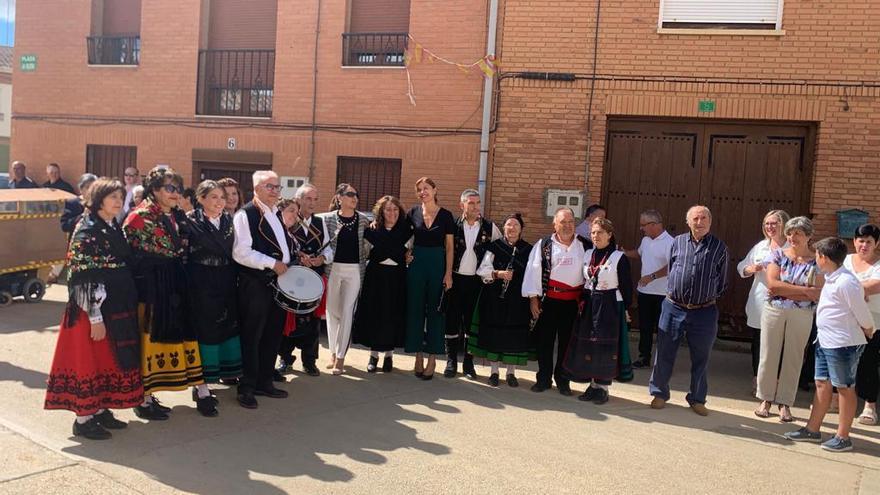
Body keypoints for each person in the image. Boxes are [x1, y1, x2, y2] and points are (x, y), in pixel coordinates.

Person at [44, 178, 143, 440]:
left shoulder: (112, 226)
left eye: (120, 196)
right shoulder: (87, 229)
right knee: (88, 363)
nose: (118, 201)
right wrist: (95, 317)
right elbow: (82, 276)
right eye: (112, 197)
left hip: (116, 305)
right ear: (98, 200)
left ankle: (100, 410)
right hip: (92, 311)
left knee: (107, 361)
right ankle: (83, 419)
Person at [124, 166, 212, 419]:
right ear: (154, 190)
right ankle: (144, 399)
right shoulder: (139, 217)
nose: (176, 194)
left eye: (178, 189)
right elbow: (141, 255)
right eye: (170, 189)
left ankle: (200, 390)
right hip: (151, 289)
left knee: (186, 337)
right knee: (151, 341)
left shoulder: (178, 215)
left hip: (176, 285)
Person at [785, 237, 875, 452]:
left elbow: (861, 311)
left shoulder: (847, 281)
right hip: (825, 341)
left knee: (844, 387)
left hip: (843, 343)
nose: (815, 258)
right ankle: (813, 429)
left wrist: (869, 328)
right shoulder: (831, 277)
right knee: (821, 383)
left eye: (817, 255)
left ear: (824, 257)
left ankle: (843, 436)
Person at [648, 205, 729, 416]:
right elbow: (673, 267)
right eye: (695, 218)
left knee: (701, 356)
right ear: (688, 221)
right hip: (673, 307)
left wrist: (703, 296)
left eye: (703, 218)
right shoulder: (677, 243)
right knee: (665, 352)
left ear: (710, 222)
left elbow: (722, 282)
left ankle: (697, 398)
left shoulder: (719, 248)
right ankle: (659, 393)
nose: (699, 222)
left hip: (704, 312)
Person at [231, 170, 292, 408]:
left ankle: (265, 381)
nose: (275, 191)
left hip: (275, 284)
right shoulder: (245, 214)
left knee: (272, 334)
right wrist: (273, 263)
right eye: (270, 187)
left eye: (278, 187)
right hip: (255, 283)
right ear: (256, 189)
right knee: (252, 336)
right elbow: (241, 252)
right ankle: (246, 386)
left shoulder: (275, 213)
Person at [754, 216, 821, 422]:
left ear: (808, 236)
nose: (793, 237)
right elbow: (772, 285)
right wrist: (804, 292)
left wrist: (787, 291)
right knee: (768, 353)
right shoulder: (777, 255)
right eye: (790, 233)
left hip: (802, 314)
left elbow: (817, 292)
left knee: (793, 357)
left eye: (798, 233)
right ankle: (765, 399)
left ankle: (785, 402)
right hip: (774, 310)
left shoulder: (817, 260)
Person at [562, 218, 633, 404]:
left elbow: (626, 287)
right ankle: (592, 385)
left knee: (605, 345)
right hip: (590, 303)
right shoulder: (588, 255)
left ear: (609, 234)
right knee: (589, 344)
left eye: (600, 232)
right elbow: (585, 280)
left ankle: (603, 387)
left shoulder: (619, 257)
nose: (596, 236)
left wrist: (626, 309)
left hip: (610, 304)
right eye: (593, 233)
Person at [183, 180, 242, 402]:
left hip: (226, 280)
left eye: (222, 197)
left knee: (226, 327)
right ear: (201, 198)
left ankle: (228, 373)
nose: (219, 202)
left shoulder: (230, 221)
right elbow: (183, 254)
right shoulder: (190, 221)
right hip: (200, 282)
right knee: (204, 330)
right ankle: (202, 385)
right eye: (214, 197)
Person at [523, 207, 590, 396]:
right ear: (555, 224)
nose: (568, 226)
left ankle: (563, 380)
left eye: (570, 222)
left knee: (567, 344)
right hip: (549, 301)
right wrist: (533, 300)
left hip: (573, 303)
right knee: (545, 342)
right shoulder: (544, 244)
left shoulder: (584, 245)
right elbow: (533, 271)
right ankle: (543, 379)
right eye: (563, 222)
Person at [469, 213, 532, 387]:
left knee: (513, 336)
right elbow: (482, 270)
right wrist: (499, 274)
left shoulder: (528, 249)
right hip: (495, 297)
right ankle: (494, 371)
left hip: (518, 300)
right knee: (494, 334)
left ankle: (511, 373)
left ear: (521, 229)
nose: (512, 228)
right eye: (509, 225)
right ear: (503, 228)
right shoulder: (494, 247)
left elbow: (533, 274)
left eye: (516, 226)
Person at [444, 189, 501, 379]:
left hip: (476, 283)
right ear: (462, 205)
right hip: (455, 279)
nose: (475, 207)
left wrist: (492, 272)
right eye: (471, 203)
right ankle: (451, 362)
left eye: (478, 203)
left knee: (471, 324)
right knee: (452, 320)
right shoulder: (453, 225)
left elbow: (501, 249)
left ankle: (468, 365)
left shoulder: (489, 227)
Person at [276, 183, 331, 378]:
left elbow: (328, 249)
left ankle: (309, 361)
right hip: (292, 278)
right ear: (298, 199)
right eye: (308, 198)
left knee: (312, 321)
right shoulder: (289, 219)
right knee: (289, 318)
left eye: (315, 199)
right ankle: (285, 359)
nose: (312, 203)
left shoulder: (320, 222)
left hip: (313, 277)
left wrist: (322, 258)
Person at [352, 195, 411, 373]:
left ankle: (389, 356)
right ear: (381, 212)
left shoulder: (407, 231)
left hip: (397, 278)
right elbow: (365, 253)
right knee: (376, 315)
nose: (392, 213)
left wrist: (409, 257)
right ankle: (374, 355)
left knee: (392, 315)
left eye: (395, 209)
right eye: (387, 209)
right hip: (376, 278)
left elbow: (410, 254)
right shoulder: (373, 231)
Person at [405, 177, 455, 380]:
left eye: (426, 188)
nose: (422, 192)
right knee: (415, 309)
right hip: (417, 265)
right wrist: (405, 252)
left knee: (436, 312)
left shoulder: (446, 216)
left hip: (437, 264)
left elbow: (450, 247)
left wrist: (448, 273)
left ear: (435, 190)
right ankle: (418, 355)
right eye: (419, 189)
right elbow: (402, 236)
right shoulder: (413, 213)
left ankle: (433, 357)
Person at [737, 210, 790, 392]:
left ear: (784, 224)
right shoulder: (760, 247)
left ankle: (775, 382)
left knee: (780, 344)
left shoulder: (792, 247)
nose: (770, 227)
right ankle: (757, 379)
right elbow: (741, 267)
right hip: (761, 302)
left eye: (774, 223)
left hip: (785, 303)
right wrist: (750, 268)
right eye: (767, 223)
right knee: (759, 342)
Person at [322, 183, 371, 375]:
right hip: (333, 269)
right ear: (339, 197)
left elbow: (370, 243)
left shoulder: (364, 220)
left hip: (354, 270)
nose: (355, 198)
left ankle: (341, 357)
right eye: (350, 194)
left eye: (356, 195)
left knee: (347, 312)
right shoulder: (328, 220)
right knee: (332, 312)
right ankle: (333, 353)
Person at [623, 209, 674, 369]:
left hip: (662, 294)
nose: (641, 228)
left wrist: (651, 277)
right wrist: (623, 253)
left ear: (654, 225)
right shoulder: (646, 240)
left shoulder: (670, 242)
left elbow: (671, 265)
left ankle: (663, 362)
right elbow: (639, 254)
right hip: (645, 293)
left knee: (662, 330)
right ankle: (644, 357)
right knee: (645, 327)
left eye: (643, 225)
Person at [843, 224, 880, 426]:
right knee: (841, 361)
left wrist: (847, 289)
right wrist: (859, 292)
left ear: (876, 244)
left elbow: (875, 285)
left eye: (869, 241)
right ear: (854, 241)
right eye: (860, 240)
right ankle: (834, 400)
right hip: (845, 320)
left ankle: (869, 405)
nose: (864, 245)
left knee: (867, 363)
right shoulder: (845, 260)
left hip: (872, 322)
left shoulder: (879, 265)